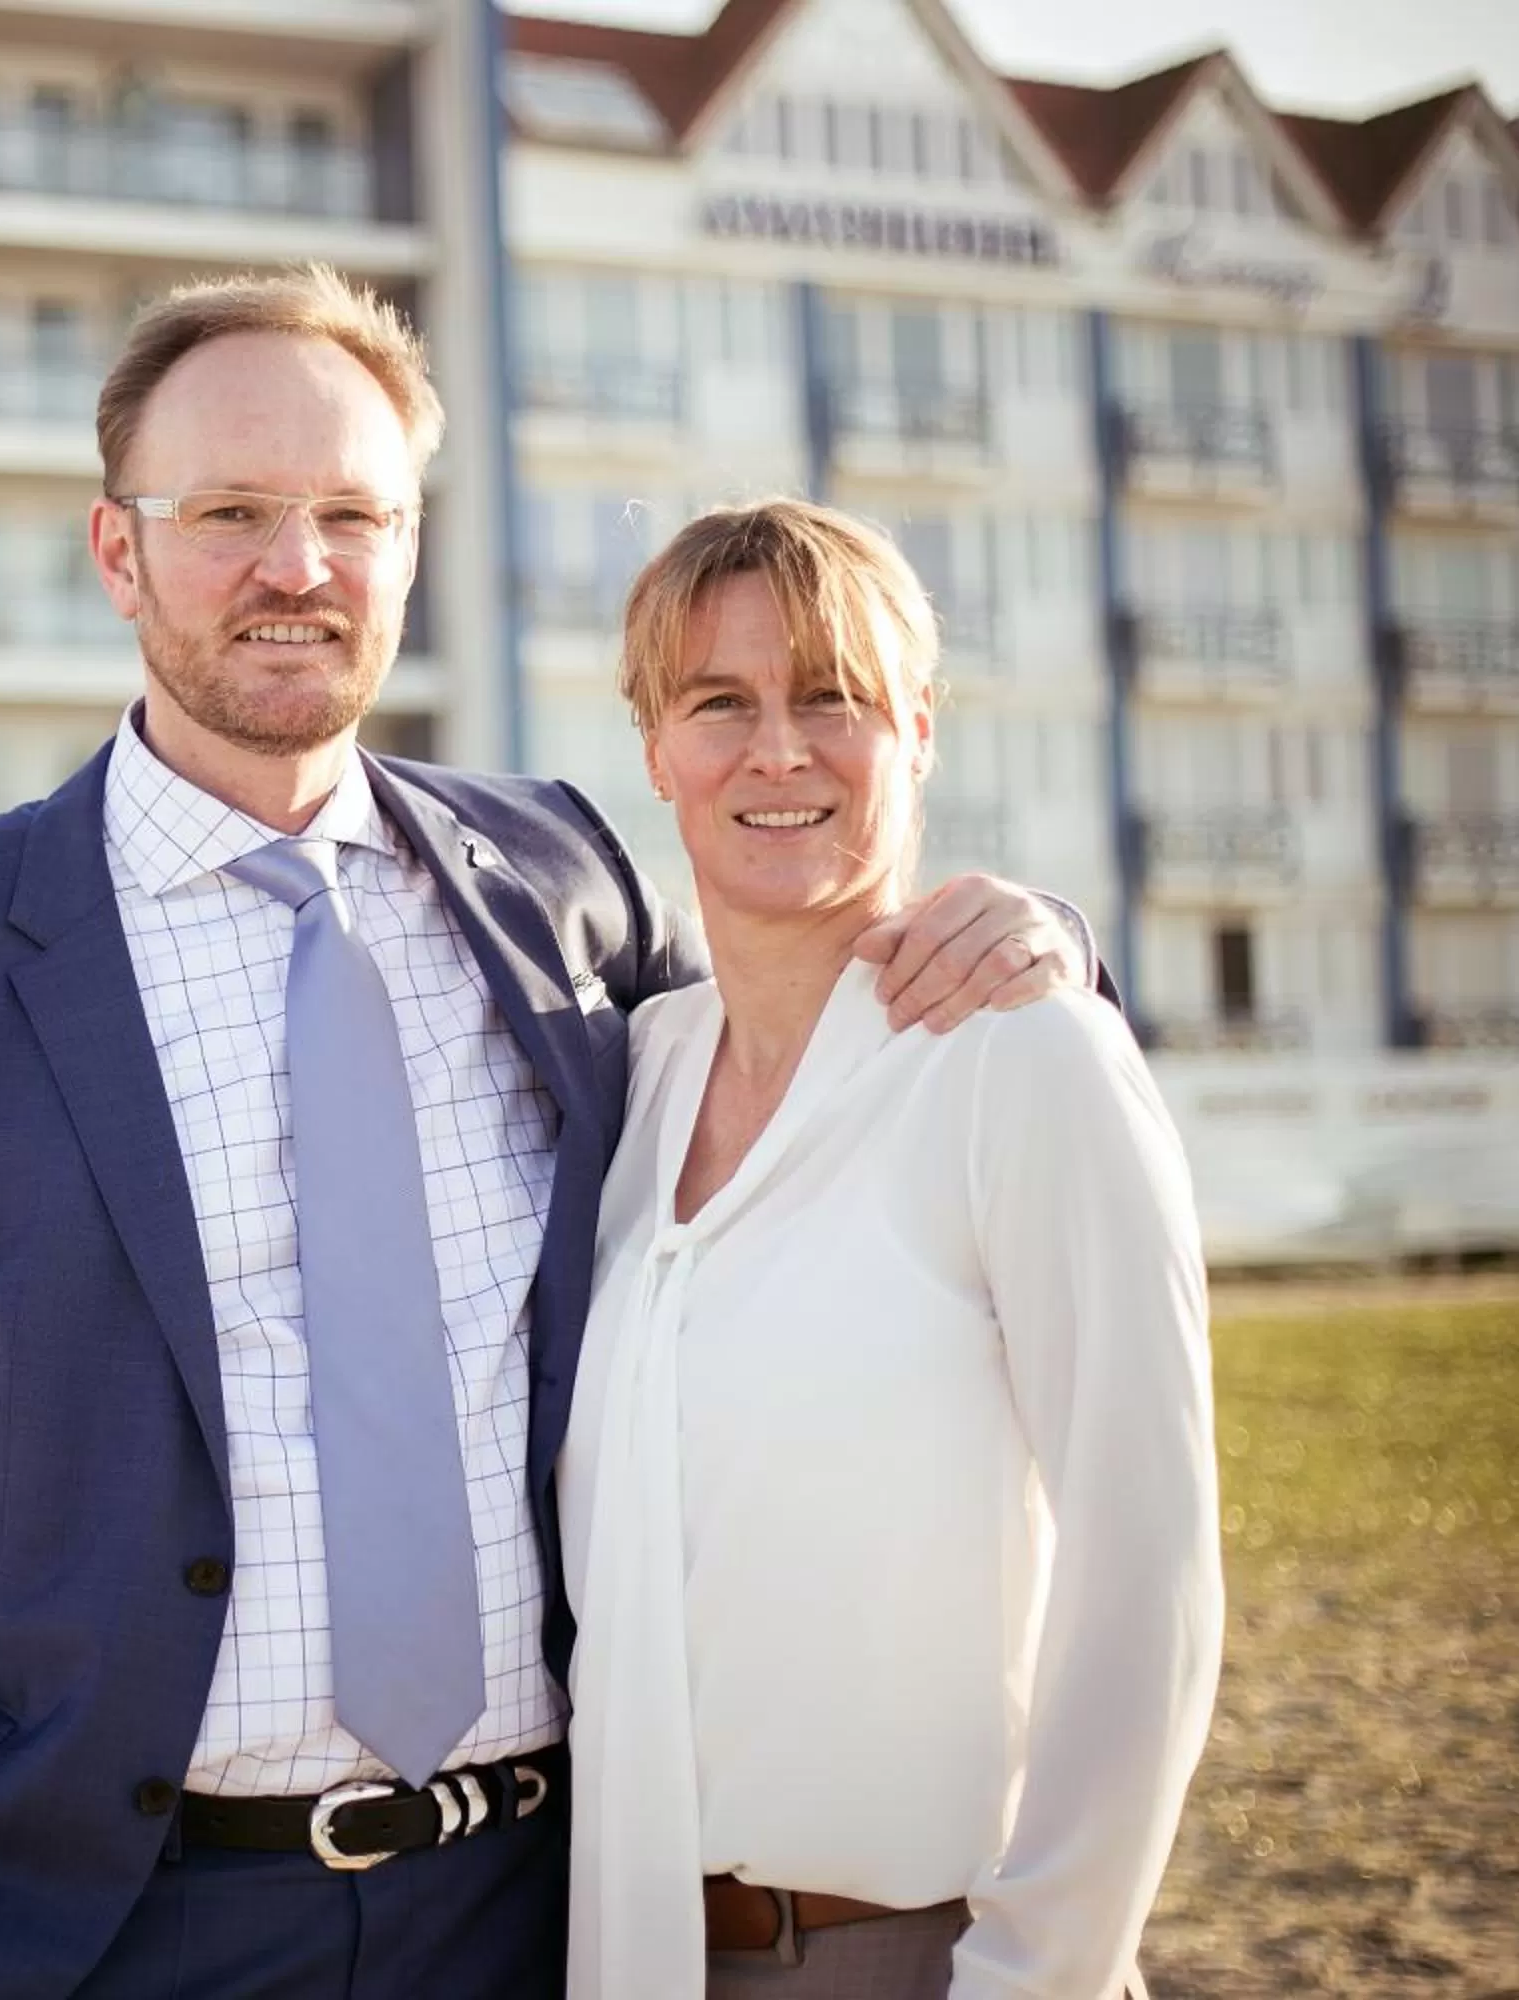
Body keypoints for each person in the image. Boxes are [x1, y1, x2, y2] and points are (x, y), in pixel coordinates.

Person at [0, 265, 1095, 2000]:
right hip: (113, 1931)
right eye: (231, 513)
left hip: (537, 1908)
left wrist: (1038, 939)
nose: (298, 567)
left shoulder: (561, 882)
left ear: (410, 550)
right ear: (119, 552)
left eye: (352, 515)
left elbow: (809, 1026)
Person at [558, 500, 1225, 1999]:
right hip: (635, 1952)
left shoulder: (1023, 1055)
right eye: (717, 703)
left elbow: (1151, 1571)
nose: (776, 751)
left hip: (922, 1954)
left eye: (831, 698)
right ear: (655, 749)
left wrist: (1036, 1973)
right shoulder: (636, 1076)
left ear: (917, 730)